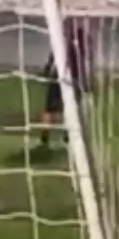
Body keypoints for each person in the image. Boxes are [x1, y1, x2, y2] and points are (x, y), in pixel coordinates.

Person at [32, 19, 91, 157]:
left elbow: (55, 56)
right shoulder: (81, 39)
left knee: (54, 109)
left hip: (62, 77)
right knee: (65, 109)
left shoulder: (67, 37)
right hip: (68, 78)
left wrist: (47, 70)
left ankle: (49, 138)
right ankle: (63, 138)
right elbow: (84, 61)